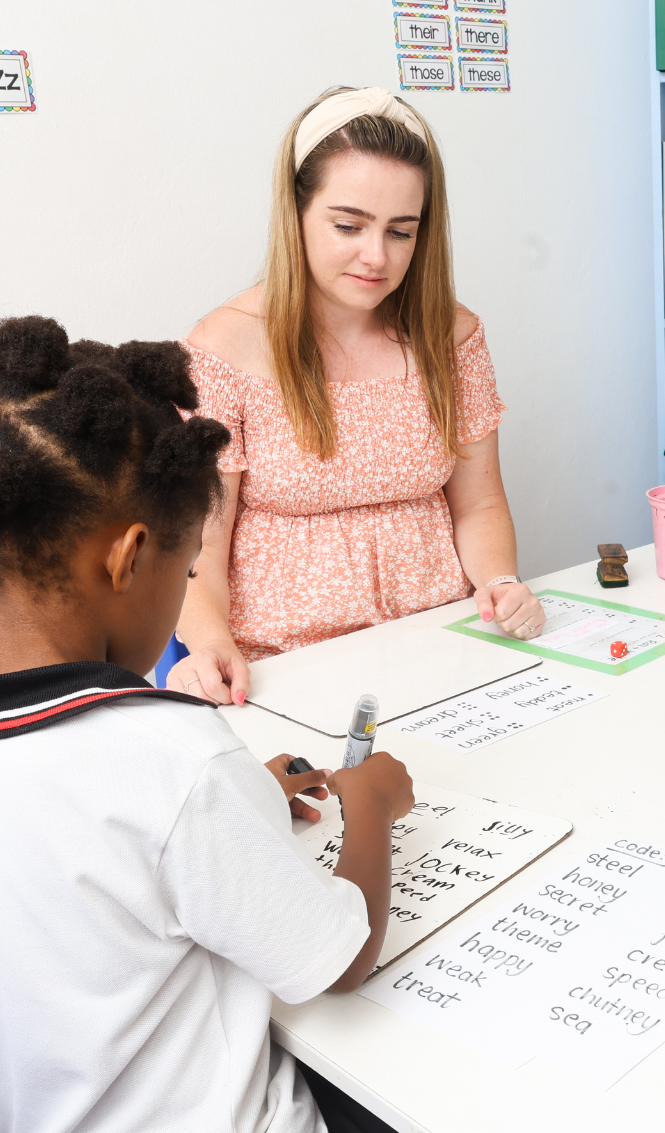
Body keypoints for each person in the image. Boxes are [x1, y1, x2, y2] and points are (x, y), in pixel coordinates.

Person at [0, 316, 475, 1133]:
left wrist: (245, 803)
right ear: (128, 555)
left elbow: (62, 862)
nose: (187, 589)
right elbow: (342, 956)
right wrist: (368, 806)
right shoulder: (164, 753)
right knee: (460, 1115)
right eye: (188, 569)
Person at [169, 86, 542, 707]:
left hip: (438, 647)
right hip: (285, 665)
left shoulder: (453, 337)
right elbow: (197, 543)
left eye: (402, 232)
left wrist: (500, 581)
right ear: (295, 212)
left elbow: (479, 504)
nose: (377, 257)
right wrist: (208, 643)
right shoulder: (222, 349)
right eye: (348, 226)